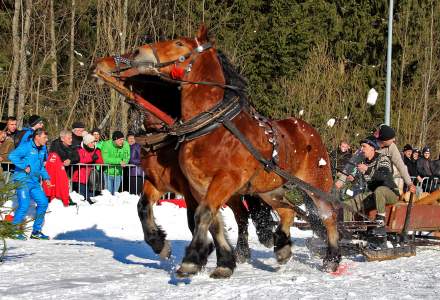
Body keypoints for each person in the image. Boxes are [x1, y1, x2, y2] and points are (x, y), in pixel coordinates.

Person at [335, 136, 399, 248]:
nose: (362, 149)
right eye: (361, 146)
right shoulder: (363, 161)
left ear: (372, 148)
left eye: (364, 146)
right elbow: (356, 173)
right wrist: (349, 178)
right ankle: (347, 234)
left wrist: (367, 170)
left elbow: (384, 176)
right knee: (348, 204)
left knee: (380, 190)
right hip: (373, 194)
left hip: (389, 192)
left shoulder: (383, 158)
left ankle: (380, 223)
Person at [8, 128, 52, 240]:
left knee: (43, 203)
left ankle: (36, 231)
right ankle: (13, 231)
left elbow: (41, 166)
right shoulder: (26, 146)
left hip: (34, 181)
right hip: (22, 180)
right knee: (24, 204)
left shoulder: (42, 149)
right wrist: (23, 166)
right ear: (37, 137)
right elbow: (12, 156)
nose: (46, 140)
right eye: (44, 137)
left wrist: (46, 178)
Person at [374, 124, 416, 194]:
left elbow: (401, 165)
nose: (394, 139)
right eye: (392, 138)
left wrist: (409, 183)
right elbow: (357, 158)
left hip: (385, 180)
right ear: (385, 140)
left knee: (393, 195)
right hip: (369, 180)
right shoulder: (369, 144)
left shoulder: (392, 147)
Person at [72, 134, 103, 204]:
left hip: (91, 178)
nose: (93, 144)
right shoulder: (79, 150)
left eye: (94, 142)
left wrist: (97, 154)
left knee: (90, 198)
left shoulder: (96, 150)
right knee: (82, 198)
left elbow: (100, 162)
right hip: (80, 177)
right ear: (86, 143)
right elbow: (79, 160)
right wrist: (91, 158)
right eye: (91, 142)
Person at [101, 131, 130, 195]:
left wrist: (125, 161)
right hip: (108, 173)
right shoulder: (106, 144)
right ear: (115, 139)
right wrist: (119, 161)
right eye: (120, 140)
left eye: (123, 139)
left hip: (119, 173)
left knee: (116, 194)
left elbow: (127, 156)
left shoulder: (126, 144)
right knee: (108, 193)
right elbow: (105, 159)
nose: (122, 141)